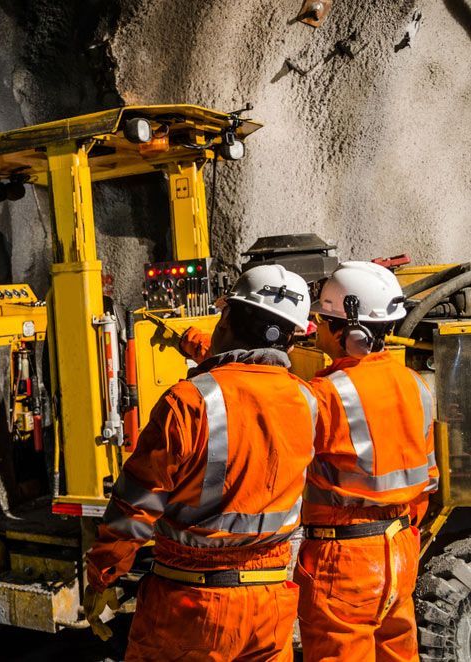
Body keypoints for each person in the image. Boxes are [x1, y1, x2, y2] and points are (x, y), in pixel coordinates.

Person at [84, 264, 317, 661]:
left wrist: (103, 574)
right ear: (291, 342)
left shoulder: (188, 402)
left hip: (192, 607)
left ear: (225, 319)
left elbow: (135, 504)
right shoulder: (309, 401)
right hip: (270, 608)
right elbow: (250, 373)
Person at [294, 261, 437, 661]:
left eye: (323, 319)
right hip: (401, 547)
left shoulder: (325, 394)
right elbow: (427, 481)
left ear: (349, 332)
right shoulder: (416, 385)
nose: (317, 327)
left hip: (345, 560)